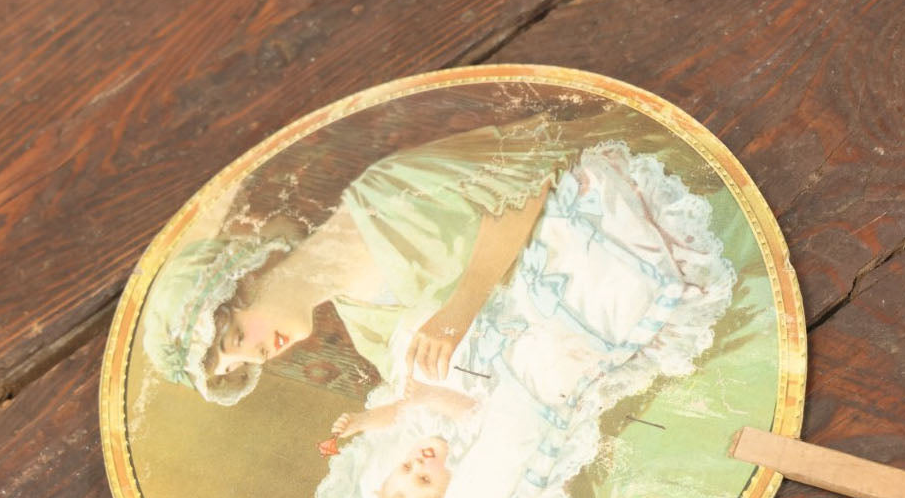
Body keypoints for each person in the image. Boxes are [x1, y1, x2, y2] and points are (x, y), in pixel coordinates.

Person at [313, 141, 739, 498]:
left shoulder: (426, 436)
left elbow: (403, 414)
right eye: (423, 479)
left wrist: (366, 420)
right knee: (589, 290)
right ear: (450, 494)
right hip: (513, 357)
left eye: (403, 467)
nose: (418, 462)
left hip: (492, 335)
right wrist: (429, 396)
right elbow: (464, 411)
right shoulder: (471, 445)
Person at [140, 108, 708, 403]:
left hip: (635, 231)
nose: (261, 358)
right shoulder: (367, 325)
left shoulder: (387, 192)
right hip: (599, 325)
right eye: (242, 366)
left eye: (238, 341)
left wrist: (462, 305)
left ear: (244, 282)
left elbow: (533, 172)